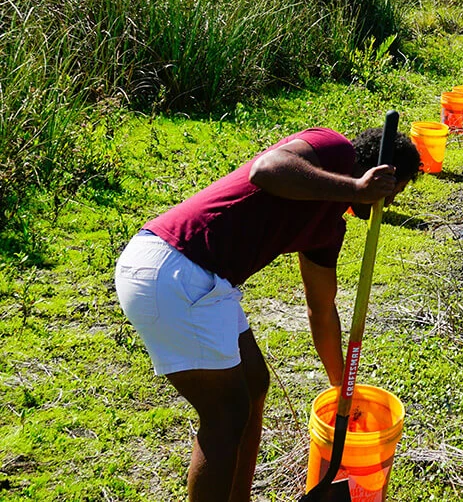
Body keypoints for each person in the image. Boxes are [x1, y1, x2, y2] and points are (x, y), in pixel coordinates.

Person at [113, 127, 421, 502]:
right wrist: (356, 189)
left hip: (206, 283)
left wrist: (343, 389)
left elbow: (320, 310)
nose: (386, 205)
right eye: (393, 191)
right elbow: (267, 168)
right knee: (225, 416)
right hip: (175, 268)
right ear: (379, 175)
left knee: (254, 382)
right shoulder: (334, 149)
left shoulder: (327, 229)